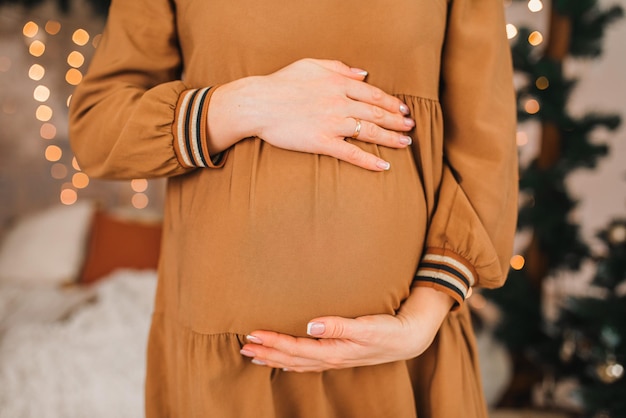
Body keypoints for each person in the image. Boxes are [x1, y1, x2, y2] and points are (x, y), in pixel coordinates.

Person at [69, 0, 518, 416]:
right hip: (227, 367)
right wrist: (242, 106)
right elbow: (98, 129)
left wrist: (424, 316)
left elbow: (485, 145)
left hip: (400, 359)